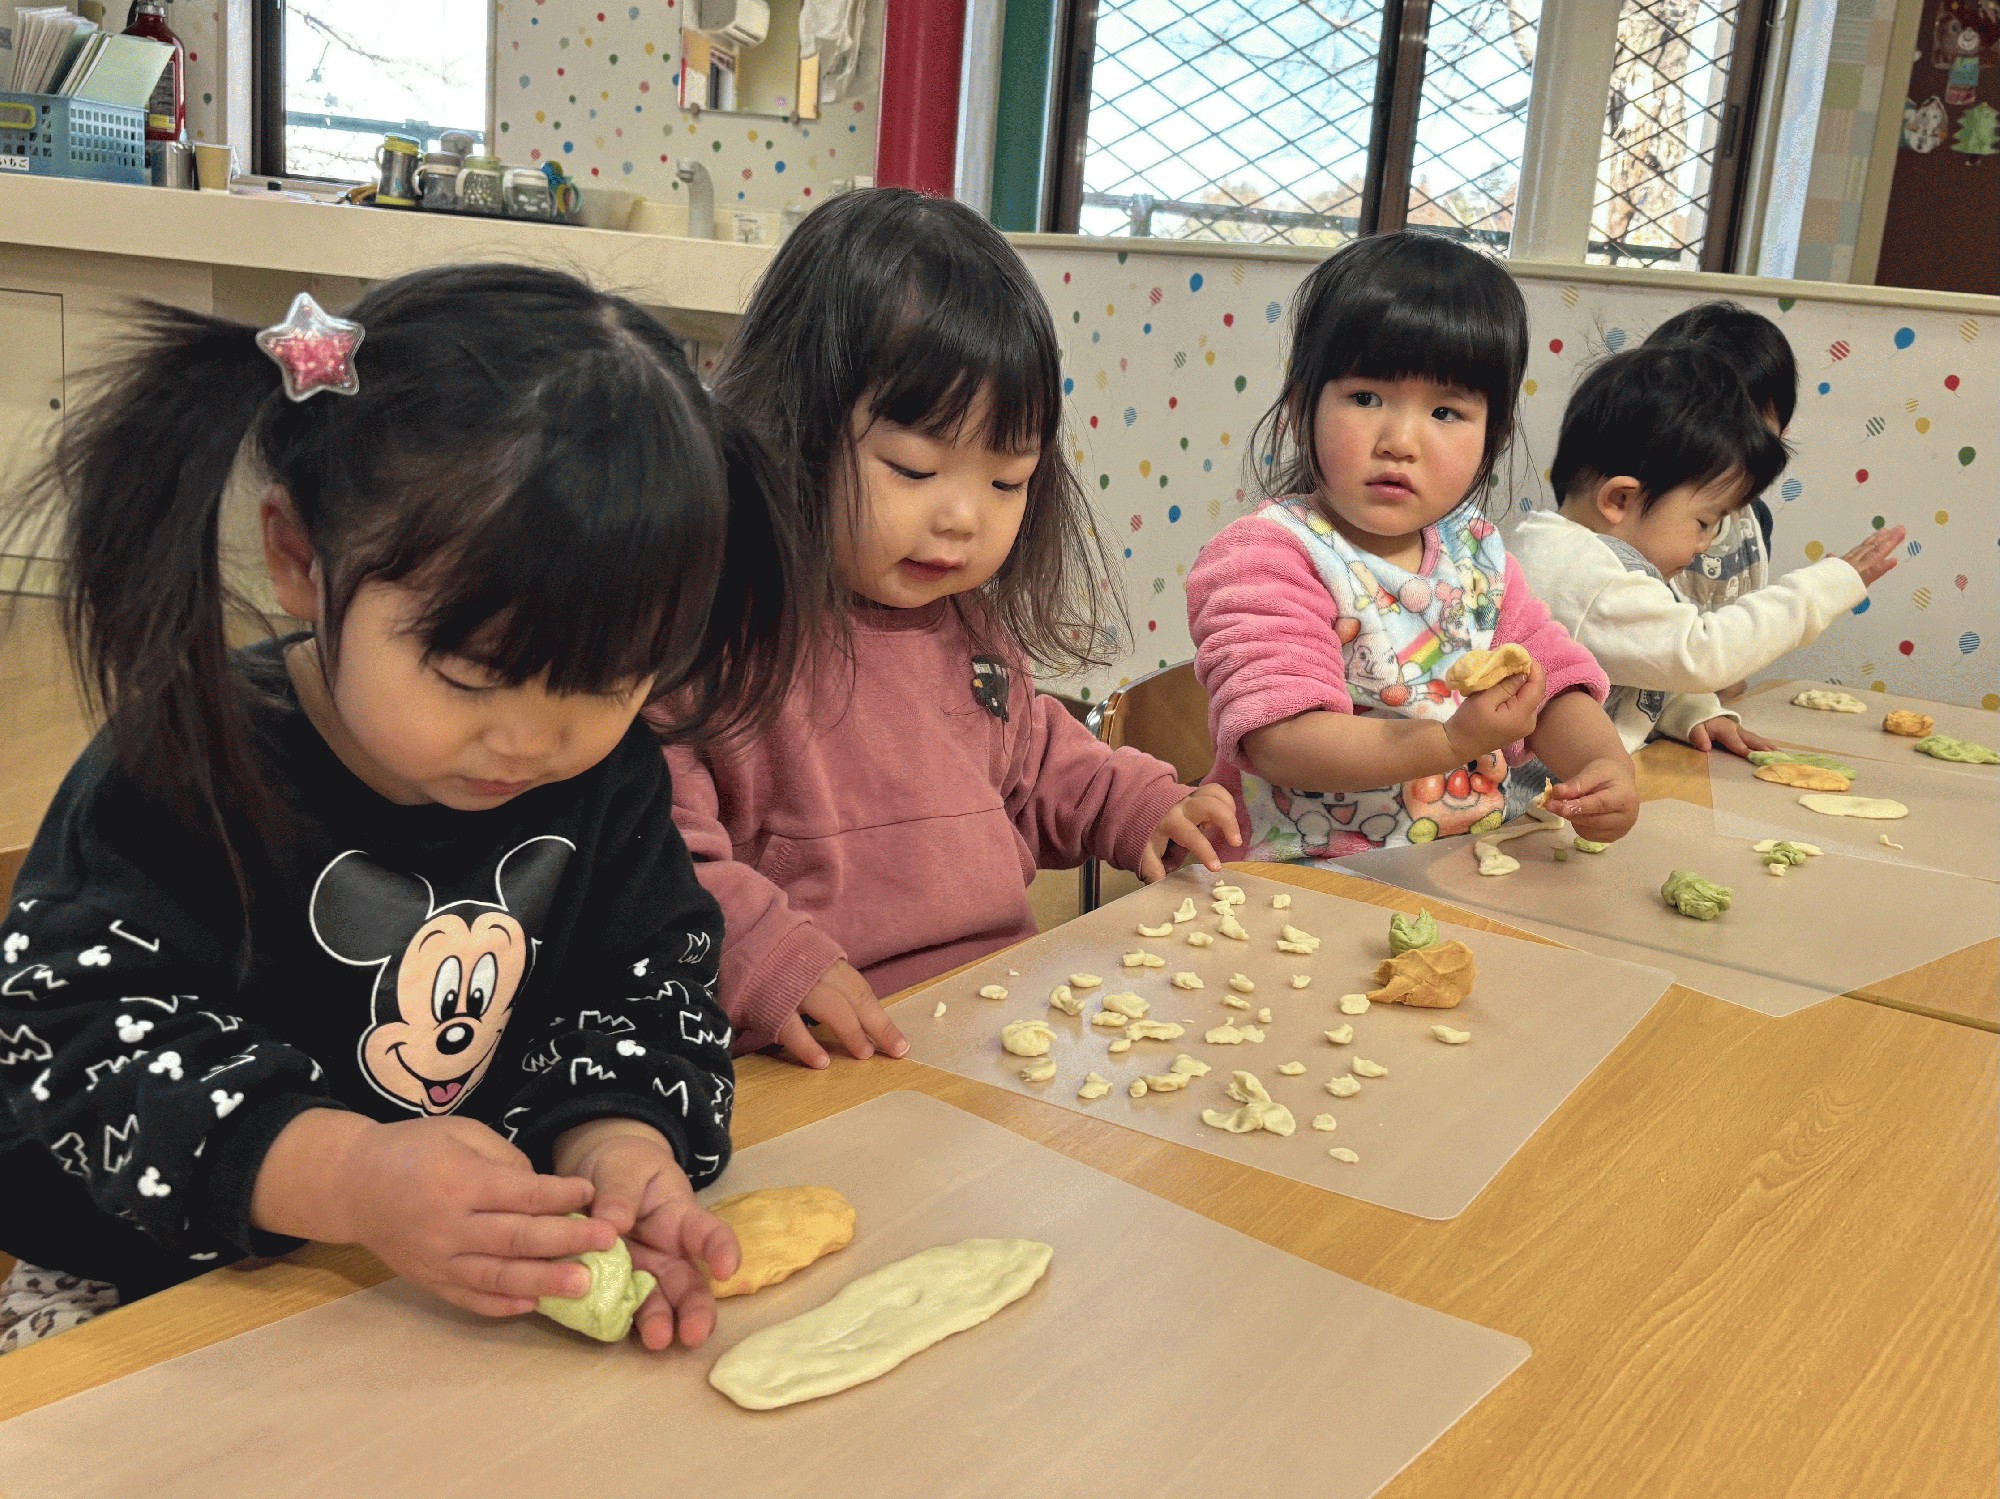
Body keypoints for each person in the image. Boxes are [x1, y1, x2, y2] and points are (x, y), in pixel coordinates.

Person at [0, 266, 808, 1352]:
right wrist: (347, 1174)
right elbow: (73, 1042)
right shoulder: (182, 767)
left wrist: (617, 1143)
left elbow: (646, 980)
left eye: (609, 679)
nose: (533, 738)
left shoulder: (603, 777)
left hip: (439, 1295)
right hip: (150, 1279)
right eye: (473, 674)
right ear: (299, 557)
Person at [666, 189, 1240, 1069]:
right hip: (813, 1052)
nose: (964, 518)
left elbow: (1037, 760)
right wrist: (761, 953)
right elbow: (654, 853)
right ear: (789, 429)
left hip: (993, 1015)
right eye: (913, 468)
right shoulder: (721, 640)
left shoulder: (970, 632)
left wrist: (1139, 803)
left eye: (1008, 482)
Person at [1186, 231, 1632, 863]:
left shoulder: (1475, 553)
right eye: (1366, 398)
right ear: (1301, 407)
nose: (1399, 440)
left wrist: (1604, 768)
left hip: (1465, 863)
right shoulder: (1267, 558)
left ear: (1493, 435)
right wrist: (1450, 743)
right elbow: (1279, 741)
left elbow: (1549, 683)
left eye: (1446, 412)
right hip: (1299, 876)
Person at [1508, 342, 1903, 764]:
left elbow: (1634, 669)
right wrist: (1823, 588)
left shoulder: (1560, 549)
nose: (1706, 545)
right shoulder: (1586, 572)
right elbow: (1699, 653)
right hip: (1538, 795)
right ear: (1620, 499)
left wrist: (1691, 713)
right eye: (1704, 522)